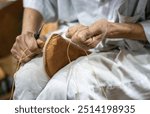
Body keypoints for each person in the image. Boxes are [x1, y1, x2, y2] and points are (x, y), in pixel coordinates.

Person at [11, 0, 150, 100]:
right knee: (27, 79)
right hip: (76, 32)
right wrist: (27, 35)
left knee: (59, 91)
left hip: (138, 49)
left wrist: (113, 29)